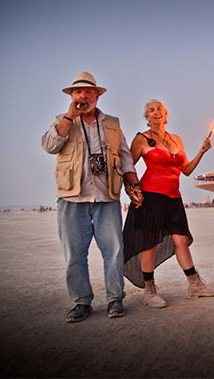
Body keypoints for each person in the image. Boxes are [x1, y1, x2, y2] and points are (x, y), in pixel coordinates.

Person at [41, 71, 144, 322]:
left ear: (97, 95)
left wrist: (134, 185)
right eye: (78, 92)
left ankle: (115, 299)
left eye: (89, 92)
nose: (83, 96)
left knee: (114, 250)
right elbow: (49, 146)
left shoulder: (112, 123)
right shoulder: (62, 121)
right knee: (74, 253)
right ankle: (81, 302)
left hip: (107, 196)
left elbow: (126, 158)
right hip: (72, 198)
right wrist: (69, 116)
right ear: (72, 96)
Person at [122, 99, 214, 308]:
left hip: (174, 197)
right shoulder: (141, 139)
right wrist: (132, 189)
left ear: (166, 115)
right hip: (151, 197)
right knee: (149, 244)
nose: (156, 112)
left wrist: (202, 152)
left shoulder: (176, 139)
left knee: (182, 241)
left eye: (160, 109)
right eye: (151, 110)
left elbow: (185, 170)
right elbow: (127, 167)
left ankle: (194, 284)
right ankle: (149, 290)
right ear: (146, 117)